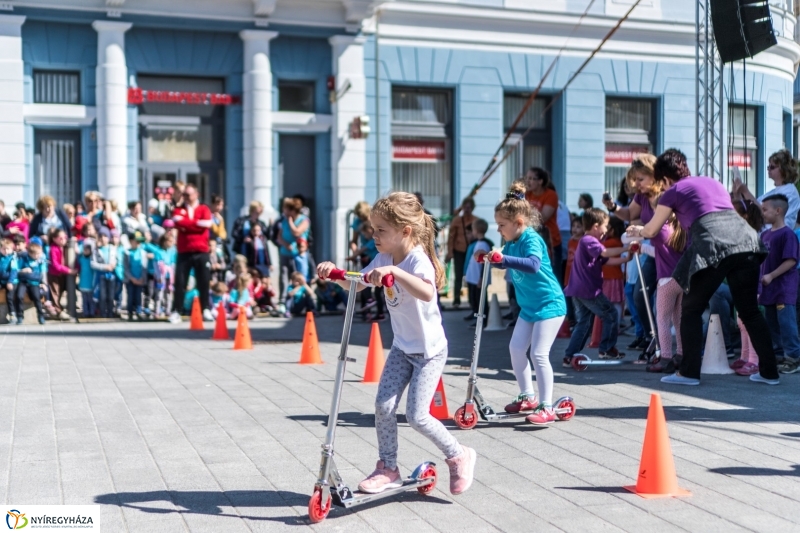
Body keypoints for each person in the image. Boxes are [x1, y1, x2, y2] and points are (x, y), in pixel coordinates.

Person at [317, 191, 475, 496]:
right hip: (402, 348)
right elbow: (356, 283)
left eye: (381, 230)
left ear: (405, 231)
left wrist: (395, 272)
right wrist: (334, 273)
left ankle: (459, 455)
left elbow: (427, 292)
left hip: (429, 352)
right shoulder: (383, 257)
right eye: (373, 229)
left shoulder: (417, 260)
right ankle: (388, 468)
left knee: (417, 416)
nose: (374, 236)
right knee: (383, 405)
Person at [627, 148, 780, 386]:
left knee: (690, 308)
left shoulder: (672, 191)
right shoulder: (712, 182)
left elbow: (652, 230)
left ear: (665, 178)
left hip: (713, 245)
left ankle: (688, 373)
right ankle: (769, 373)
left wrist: (638, 230)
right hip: (747, 241)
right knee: (749, 311)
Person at [483, 183, 567, 425]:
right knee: (516, 349)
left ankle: (547, 406)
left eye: (502, 225)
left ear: (518, 223)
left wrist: (504, 258)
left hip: (549, 304)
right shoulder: (512, 242)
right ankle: (528, 396)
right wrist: (490, 259)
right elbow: (505, 260)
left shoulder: (531, 239)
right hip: (529, 307)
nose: (499, 230)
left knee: (539, 354)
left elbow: (532, 264)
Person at [563, 208, 630, 366]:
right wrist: (626, 248)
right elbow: (605, 253)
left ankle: (570, 355)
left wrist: (627, 258)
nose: (606, 230)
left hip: (578, 289)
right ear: (595, 226)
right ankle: (606, 349)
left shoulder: (588, 243)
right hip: (588, 290)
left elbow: (607, 261)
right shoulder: (589, 241)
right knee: (611, 314)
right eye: (605, 226)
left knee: (583, 323)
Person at [758, 194, 800, 374]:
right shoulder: (765, 235)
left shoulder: (787, 234)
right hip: (769, 289)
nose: (762, 213)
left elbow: (791, 260)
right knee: (772, 323)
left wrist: (771, 275)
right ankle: (778, 355)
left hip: (783, 289)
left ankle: (794, 357)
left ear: (778, 211)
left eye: (765, 209)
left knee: (786, 323)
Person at [170, 183, 214, 323]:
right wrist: (196, 224)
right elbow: (177, 222)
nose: (186, 197)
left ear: (196, 194)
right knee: (180, 282)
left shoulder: (204, 209)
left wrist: (187, 224)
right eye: (184, 195)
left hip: (201, 251)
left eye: (188, 194)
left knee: (204, 281)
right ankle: (176, 311)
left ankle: (205, 309)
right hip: (184, 251)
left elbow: (207, 224)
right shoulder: (179, 209)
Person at [735, 149, 800, 230]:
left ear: (783, 169)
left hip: (775, 235)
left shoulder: (789, 191)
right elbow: (754, 209)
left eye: (772, 167)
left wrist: (745, 192)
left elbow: (764, 213)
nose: (768, 169)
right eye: (768, 167)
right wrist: (738, 193)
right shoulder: (775, 191)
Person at [525, 167, 563, 283]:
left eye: (532, 179)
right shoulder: (526, 195)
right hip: (531, 241)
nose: (528, 181)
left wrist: (524, 217)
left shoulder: (551, 195)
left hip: (550, 242)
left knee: (552, 276)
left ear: (540, 181)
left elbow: (543, 218)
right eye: (527, 178)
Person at [276, 197, 310, 298]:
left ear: (293, 211)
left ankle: (301, 298)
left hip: (298, 254)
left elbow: (297, 232)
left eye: (287, 209)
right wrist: (285, 244)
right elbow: (279, 236)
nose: (285, 212)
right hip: (285, 252)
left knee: (298, 276)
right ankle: (283, 298)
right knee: (284, 276)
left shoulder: (304, 220)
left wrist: (291, 222)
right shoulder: (284, 220)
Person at [446, 197, 477, 309]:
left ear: (472, 208)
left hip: (471, 251)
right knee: (458, 276)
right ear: (463, 207)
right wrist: (450, 252)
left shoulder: (475, 220)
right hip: (459, 250)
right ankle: (456, 300)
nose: (467, 209)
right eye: (466, 207)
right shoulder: (457, 220)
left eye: (469, 207)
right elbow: (451, 238)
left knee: (471, 275)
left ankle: (472, 300)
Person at [463, 219, 491, 328]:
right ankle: (478, 318)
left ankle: (483, 320)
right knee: (475, 298)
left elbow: (485, 263)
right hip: (474, 277)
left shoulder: (483, 244)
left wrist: (481, 278)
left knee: (481, 300)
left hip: (478, 278)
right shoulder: (478, 243)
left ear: (476, 230)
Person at [15, 238, 48, 325]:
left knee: (37, 297)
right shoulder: (24, 258)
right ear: (30, 253)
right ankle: (20, 316)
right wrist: (23, 270)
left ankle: (40, 316)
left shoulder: (40, 261)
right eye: (35, 254)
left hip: (34, 283)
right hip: (24, 282)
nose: (38, 256)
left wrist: (43, 283)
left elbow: (42, 273)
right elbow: (17, 270)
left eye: (39, 254)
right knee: (19, 296)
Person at [47, 228, 76, 319]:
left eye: (65, 237)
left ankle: (63, 309)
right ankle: (58, 312)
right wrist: (69, 271)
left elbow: (74, 259)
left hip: (63, 275)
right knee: (55, 293)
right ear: (54, 239)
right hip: (54, 275)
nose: (63, 240)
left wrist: (76, 269)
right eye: (60, 238)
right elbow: (55, 265)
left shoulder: (67, 247)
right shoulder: (53, 249)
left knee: (63, 291)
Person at [91, 227, 117, 319]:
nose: (103, 238)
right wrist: (104, 267)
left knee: (111, 295)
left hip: (111, 275)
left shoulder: (113, 248)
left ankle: (110, 311)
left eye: (105, 236)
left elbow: (117, 259)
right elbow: (93, 264)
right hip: (101, 275)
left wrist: (114, 265)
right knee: (102, 296)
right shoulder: (96, 250)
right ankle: (103, 312)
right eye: (101, 236)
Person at [124, 232, 148, 320]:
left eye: (139, 242)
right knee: (130, 296)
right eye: (136, 241)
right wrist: (132, 278)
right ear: (131, 241)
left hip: (140, 279)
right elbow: (126, 268)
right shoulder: (127, 253)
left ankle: (138, 311)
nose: (138, 243)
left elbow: (144, 267)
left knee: (138, 296)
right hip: (130, 280)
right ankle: (130, 312)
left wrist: (142, 278)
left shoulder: (143, 253)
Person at [0, 237, 19, 322]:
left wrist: (10, 282)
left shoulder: (12, 258)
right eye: (4, 249)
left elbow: (14, 271)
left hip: (11, 281)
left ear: (12, 249)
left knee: (9, 297)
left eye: (8, 249)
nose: (6, 251)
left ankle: (12, 314)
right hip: (2, 281)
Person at [77, 242, 95, 318]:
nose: (86, 251)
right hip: (83, 283)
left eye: (88, 250)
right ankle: (85, 312)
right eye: (85, 250)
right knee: (84, 300)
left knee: (91, 300)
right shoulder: (81, 259)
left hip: (91, 283)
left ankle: (91, 312)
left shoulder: (92, 260)